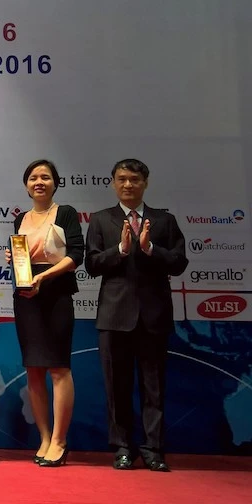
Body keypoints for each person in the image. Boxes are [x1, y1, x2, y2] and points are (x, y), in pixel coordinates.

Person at [86, 159, 187, 472]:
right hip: (114, 317)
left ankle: (153, 449)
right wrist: (120, 249)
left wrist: (150, 248)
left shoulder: (164, 221)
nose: (128, 184)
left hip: (153, 317)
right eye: (122, 179)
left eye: (134, 179)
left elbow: (179, 263)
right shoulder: (101, 220)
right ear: (113, 183)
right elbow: (92, 264)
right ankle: (122, 448)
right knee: (116, 387)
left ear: (145, 183)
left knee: (154, 387)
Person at [4, 160, 83, 467]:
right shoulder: (20, 219)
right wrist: (13, 257)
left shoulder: (66, 213)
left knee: (59, 368)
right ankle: (45, 438)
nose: (39, 182)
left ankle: (60, 441)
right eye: (33, 178)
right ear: (26, 185)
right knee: (34, 369)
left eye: (46, 177)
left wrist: (44, 277)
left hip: (56, 294)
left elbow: (76, 255)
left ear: (55, 183)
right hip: (26, 298)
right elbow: (23, 258)